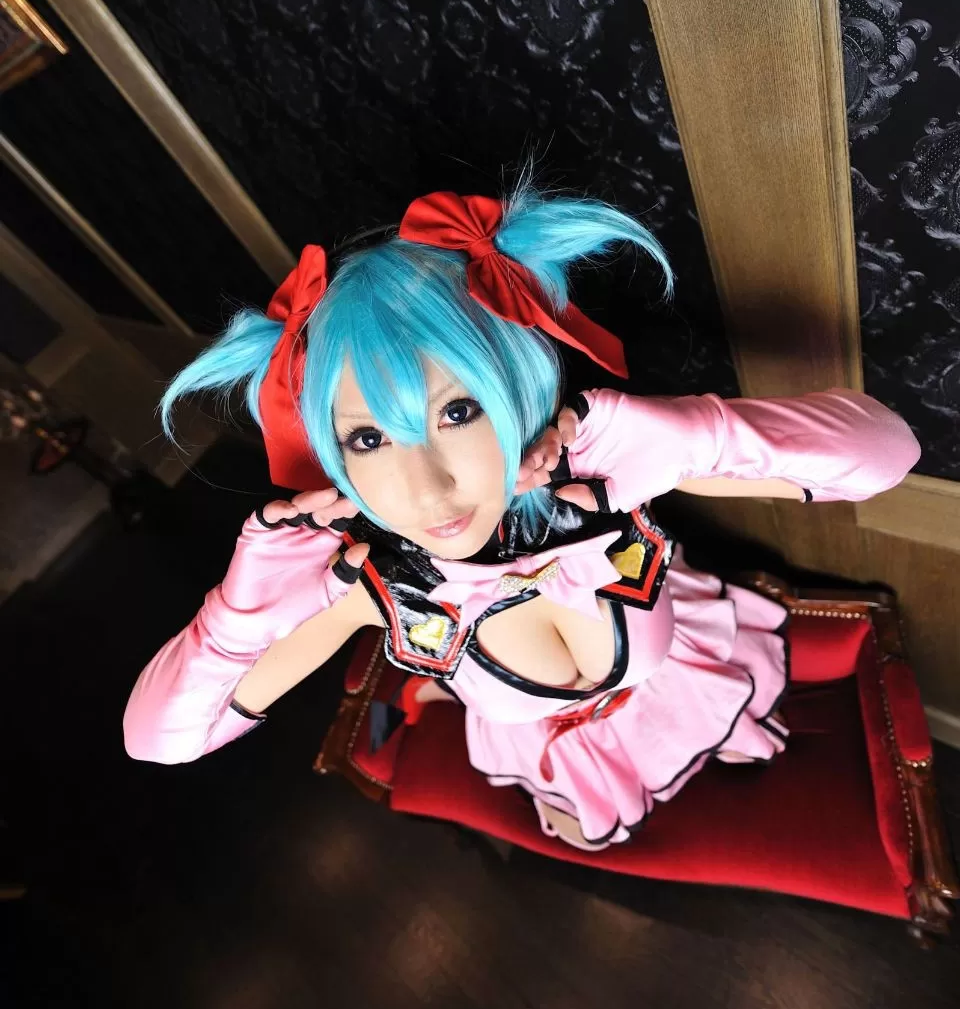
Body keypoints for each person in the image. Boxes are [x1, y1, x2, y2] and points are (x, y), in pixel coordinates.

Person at [123, 177, 922, 852]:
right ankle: (443, 694)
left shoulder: (605, 478)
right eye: (368, 437)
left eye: (457, 411)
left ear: (516, 388)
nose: (426, 489)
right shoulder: (375, 585)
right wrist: (236, 618)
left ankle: (439, 691)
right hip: (549, 746)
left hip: (674, 681)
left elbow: (888, 452)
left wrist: (686, 435)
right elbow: (159, 742)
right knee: (588, 828)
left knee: (729, 734)